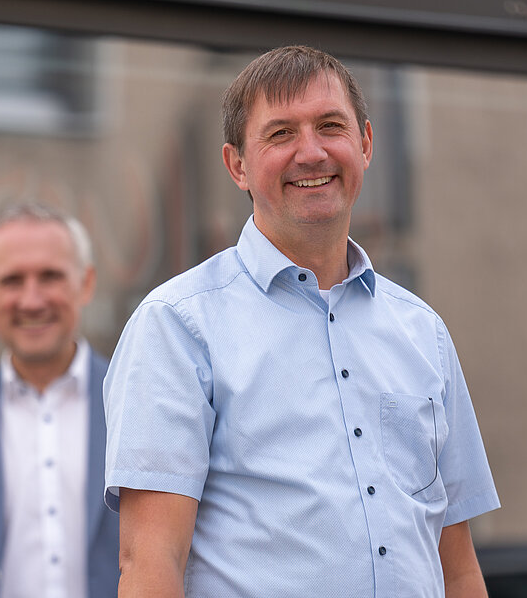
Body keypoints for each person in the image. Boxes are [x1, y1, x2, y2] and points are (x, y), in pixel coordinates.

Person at [104, 45, 500, 598]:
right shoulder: (177, 327)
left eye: (330, 126)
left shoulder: (423, 332)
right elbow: (149, 563)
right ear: (237, 164)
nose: (311, 153)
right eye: (281, 133)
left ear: (365, 143)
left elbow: (457, 569)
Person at [0, 201, 120, 598]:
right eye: (11, 280)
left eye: (50, 276)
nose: (32, 300)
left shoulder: (141, 403)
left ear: (86, 283)